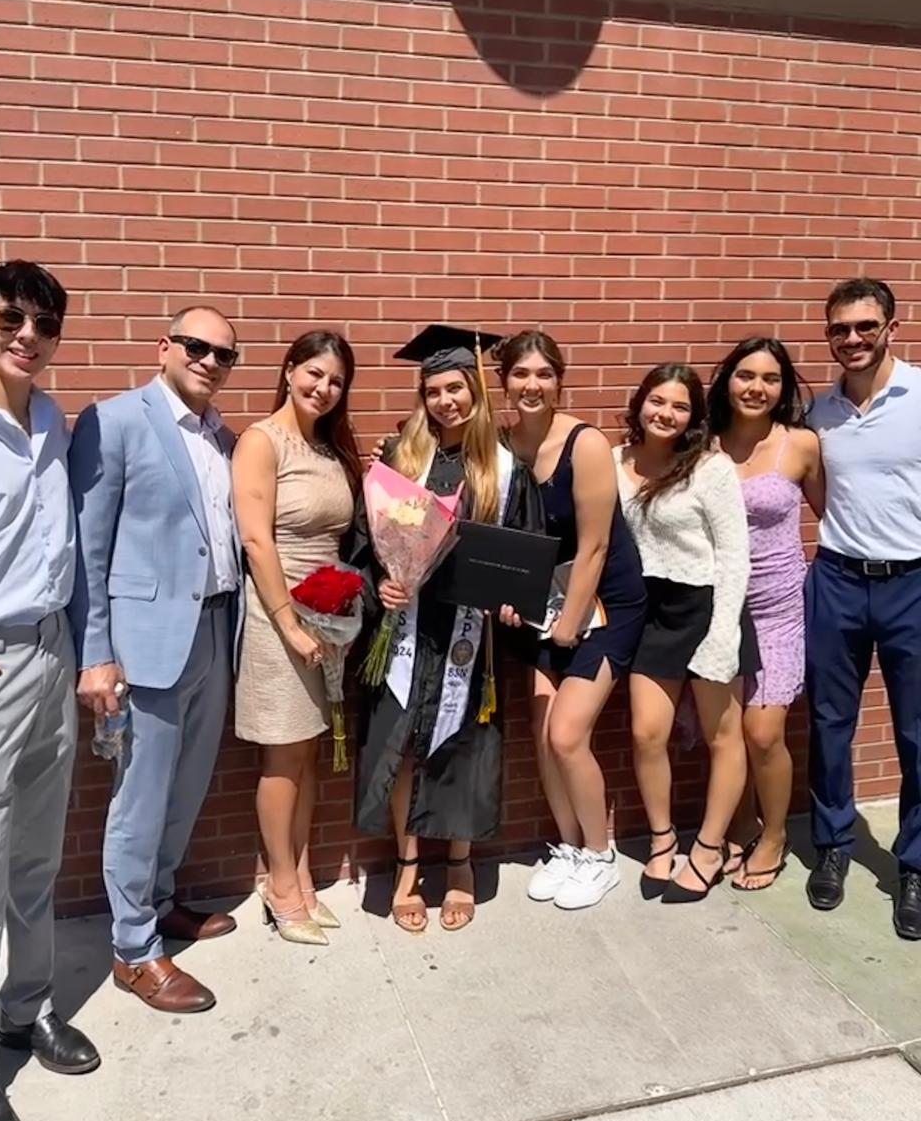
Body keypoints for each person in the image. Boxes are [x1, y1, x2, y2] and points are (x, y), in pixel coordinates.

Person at [69, 307, 243, 1014]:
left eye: (224, 354)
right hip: (143, 649)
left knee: (186, 789)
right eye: (196, 346)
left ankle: (162, 899)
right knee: (139, 801)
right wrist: (97, 653)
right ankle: (134, 950)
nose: (209, 360)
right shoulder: (114, 422)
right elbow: (89, 548)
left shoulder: (220, 436)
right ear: (163, 347)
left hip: (212, 633)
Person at [0, 261, 99, 1121]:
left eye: (44, 324)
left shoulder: (48, 419)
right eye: (12, 317)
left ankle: (28, 1007)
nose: (27, 336)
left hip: (50, 659)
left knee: (36, 861)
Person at [346, 325, 542, 933]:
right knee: (403, 748)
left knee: (461, 745)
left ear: (477, 390)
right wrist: (381, 583)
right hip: (406, 626)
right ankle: (407, 866)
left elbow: (524, 554)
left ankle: (459, 864)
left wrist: (510, 602)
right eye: (433, 390)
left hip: (468, 636)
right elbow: (368, 538)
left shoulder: (505, 470)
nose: (445, 401)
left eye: (455, 387)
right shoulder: (402, 459)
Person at [495, 330, 647, 910]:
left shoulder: (585, 443)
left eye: (543, 374)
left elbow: (596, 547)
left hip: (604, 606)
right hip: (544, 606)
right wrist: (510, 596)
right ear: (504, 382)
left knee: (567, 733)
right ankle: (568, 846)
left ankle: (600, 854)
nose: (532, 385)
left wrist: (571, 622)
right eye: (520, 375)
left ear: (559, 380)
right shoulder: (503, 444)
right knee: (541, 733)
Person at [233, 332, 362, 947]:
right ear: (288, 371)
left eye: (336, 381)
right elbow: (257, 540)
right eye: (313, 374)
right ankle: (280, 886)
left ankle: (304, 878)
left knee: (309, 750)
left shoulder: (330, 449)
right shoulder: (263, 441)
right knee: (283, 753)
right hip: (277, 614)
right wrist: (288, 623)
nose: (323, 388)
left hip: (327, 616)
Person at [615, 363, 758, 903]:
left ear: (694, 416)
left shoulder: (709, 468)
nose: (666, 414)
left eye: (679, 406)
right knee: (648, 733)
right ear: (640, 403)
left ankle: (709, 848)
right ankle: (662, 838)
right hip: (647, 611)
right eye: (657, 401)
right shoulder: (613, 462)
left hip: (704, 607)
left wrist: (722, 634)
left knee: (725, 737)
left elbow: (734, 556)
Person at [806, 277, 921, 939]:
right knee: (828, 724)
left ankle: (913, 865)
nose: (851, 340)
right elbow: (823, 496)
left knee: (916, 733)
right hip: (840, 580)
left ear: (890, 328)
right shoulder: (820, 412)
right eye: (839, 329)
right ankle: (833, 848)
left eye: (864, 327)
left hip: (913, 583)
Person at [707, 339, 823, 891]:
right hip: (717, 611)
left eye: (770, 378)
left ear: (783, 388)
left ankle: (774, 836)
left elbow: (834, 516)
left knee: (762, 732)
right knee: (725, 731)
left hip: (778, 609)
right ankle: (739, 825)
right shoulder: (701, 444)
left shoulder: (800, 445)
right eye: (745, 375)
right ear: (727, 381)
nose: (756, 387)